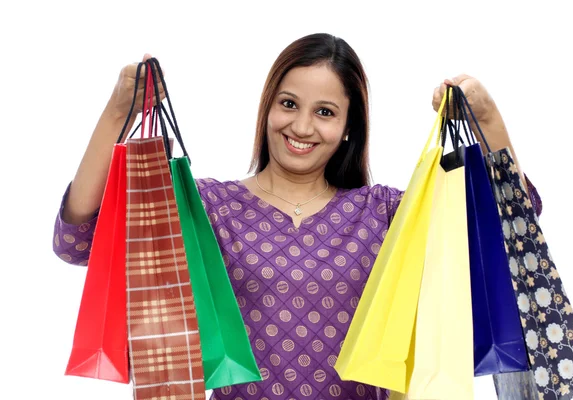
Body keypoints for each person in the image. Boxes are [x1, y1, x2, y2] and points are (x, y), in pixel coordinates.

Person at [53, 33, 542, 399]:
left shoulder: (386, 215)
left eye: (325, 112)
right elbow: (78, 242)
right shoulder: (209, 209)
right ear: (268, 108)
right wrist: (119, 109)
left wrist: (488, 118)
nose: (302, 126)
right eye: (289, 104)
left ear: (350, 127)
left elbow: (514, 231)